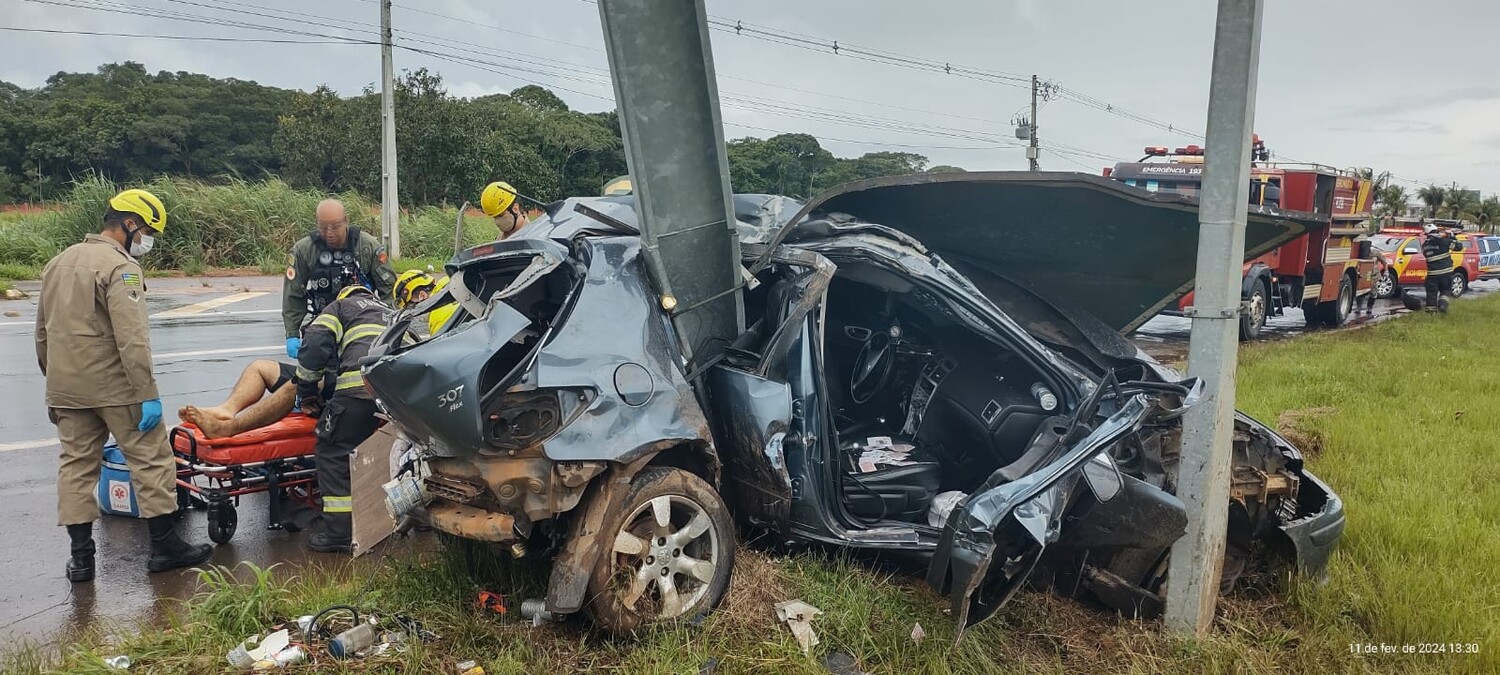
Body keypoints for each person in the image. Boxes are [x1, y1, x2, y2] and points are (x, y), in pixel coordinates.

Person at [35, 188, 213, 582]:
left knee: (76, 468)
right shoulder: (121, 268)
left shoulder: (57, 263)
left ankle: (81, 560)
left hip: (67, 387)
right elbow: (132, 339)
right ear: (130, 224)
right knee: (151, 460)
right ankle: (165, 547)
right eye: (148, 230)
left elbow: (42, 335)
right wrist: (147, 393)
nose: (147, 240)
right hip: (116, 387)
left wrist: (56, 383)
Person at [294, 285, 394, 553]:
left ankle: (339, 534)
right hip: (399, 400)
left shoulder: (340, 308)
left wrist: (305, 391)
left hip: (359, 392)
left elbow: (315, 343)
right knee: (397, 455)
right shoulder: (392, 313)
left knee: (333, 451)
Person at [283, 199, 395, 359]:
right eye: (323, 227)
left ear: (346, 221)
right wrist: (292, 334)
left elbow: (389, 290)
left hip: (362, 323)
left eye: (335, 227)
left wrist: (389, 326)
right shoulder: (304, 251)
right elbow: (293, 294)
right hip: (323, 324)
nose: (329, 233)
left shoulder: (367, 247)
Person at [1421, 224, 1463, 313]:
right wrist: (1452, 236)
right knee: (1445, 290)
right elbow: (1459, 247)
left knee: (1431, 293)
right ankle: (1443, 305)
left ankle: (1431, 313)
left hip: (1432, 274)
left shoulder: (1425, 245)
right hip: (1446, 273)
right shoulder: (1444, 241)